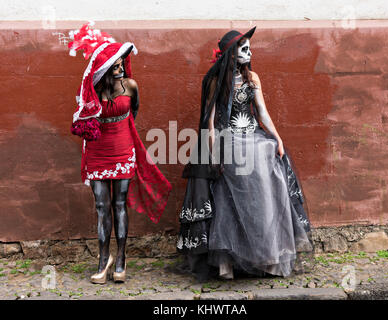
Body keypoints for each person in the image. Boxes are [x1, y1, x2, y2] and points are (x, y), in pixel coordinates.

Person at [177, 27, 313, 281]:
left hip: (254, 138)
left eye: (250, 48)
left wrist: (277, 137)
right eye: (244, 49)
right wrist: (212, 148)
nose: (250, 53)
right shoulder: (218, 81)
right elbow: (210, 119)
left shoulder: (253, 78)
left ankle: (269, 258)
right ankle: (225, 261)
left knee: (264, 193)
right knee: (227, 200)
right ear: (231, 53)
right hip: (229, 140)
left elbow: (261, 111)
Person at [69, 22, 172, 284]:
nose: (121, 69)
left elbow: (134, 111)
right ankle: (104, 261)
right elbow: (83, 119)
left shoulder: (131, 85)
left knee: (119, 204)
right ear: (103, 70)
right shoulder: (91, 91)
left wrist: (121, 130)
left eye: (122, 65)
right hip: (97, 152)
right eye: (115, 66)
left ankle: (122, 259)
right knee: (102, 206)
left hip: (124, 148)